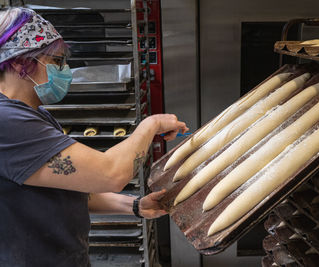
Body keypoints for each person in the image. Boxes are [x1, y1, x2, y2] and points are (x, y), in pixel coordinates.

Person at [0, 7, 188, 267]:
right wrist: (151, 124)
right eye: (55, 61)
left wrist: (134, 206)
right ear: (21, 62)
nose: (65, 70)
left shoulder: (34, 115)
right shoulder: (6, 121)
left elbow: (68, 186)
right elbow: (111, 173)